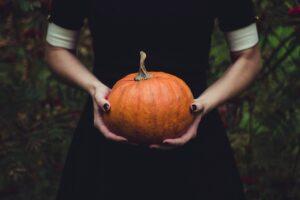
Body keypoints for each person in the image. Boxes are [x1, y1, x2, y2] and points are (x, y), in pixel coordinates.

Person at [45, 0, 262, 199]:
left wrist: (203, 104)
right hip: (109, 124)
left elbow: (249, 57)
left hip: (192, 125)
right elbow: (57, 49)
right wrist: (94, 89)